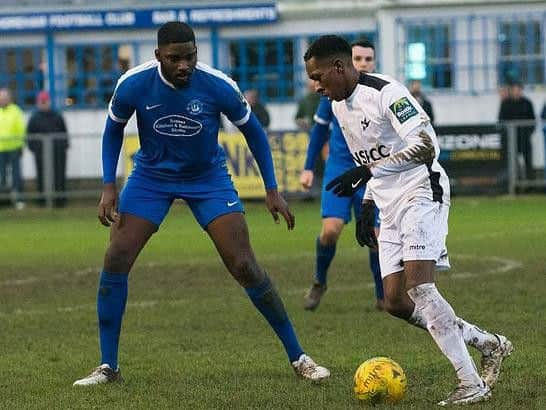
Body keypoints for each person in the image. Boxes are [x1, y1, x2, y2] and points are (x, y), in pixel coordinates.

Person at [73, 22, 329, 386]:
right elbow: (113, 128)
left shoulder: (217, 85)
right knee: (116, 257)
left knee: (244, 264)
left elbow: (253, 131)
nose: (184, 65)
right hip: (151, 177)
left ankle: (299, 357)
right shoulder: (133, 83)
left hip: (207, 178)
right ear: (158, 56)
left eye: (190, 57)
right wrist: (108, 185)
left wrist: (271, 189)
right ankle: (107, 367)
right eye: (174, 58)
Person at [304, 35, 513, 406]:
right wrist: (368, 202)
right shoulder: (339, 107)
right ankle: (487, 343)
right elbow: (372, 158)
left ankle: (471, 383)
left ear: (339, 67)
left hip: (422, 190)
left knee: (420, 287)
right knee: (396, 302)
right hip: (388, 203)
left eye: (319, 77)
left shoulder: (387, 93)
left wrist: (366, 172)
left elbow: (424, 146)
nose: (316, 86)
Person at [300, 39, 384, 311]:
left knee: (375, 236)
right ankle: (319, 281)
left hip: (369, 169)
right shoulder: (332, 91)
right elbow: (319, 131)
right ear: (347, 62)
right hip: (339, 167)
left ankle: (383, 296)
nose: (363, 63)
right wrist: (309, 168)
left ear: (373, 62)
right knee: (331, 230)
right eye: (358, 59)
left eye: (368, 59)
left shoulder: (377, 94)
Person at [27, 90, 69, 207]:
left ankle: (60, 200)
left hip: (58, 151)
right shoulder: (34, 118)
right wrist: (35, 149)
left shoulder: (57, 116)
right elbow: (29, 135)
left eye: (45, 102)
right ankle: (42, 200)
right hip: (40, 152)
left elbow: (64, 133)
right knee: (42, 176)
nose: (44, 104)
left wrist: (63, 147)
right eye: (42, 102)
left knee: (59, 175)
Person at [498, 80, 536, 180]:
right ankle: (515, 184)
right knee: (513, 163)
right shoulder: (506, 103)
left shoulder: (527, 103)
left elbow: (532, 120)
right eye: (514, 89)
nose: (516, 92)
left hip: (525, 138)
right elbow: (501, 121)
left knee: (528, 162)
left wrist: (528, 133)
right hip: (511, 140)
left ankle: (530, 184)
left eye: (518, 89)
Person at [0, 88, 26, 210]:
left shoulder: (16, 111)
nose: (2, 100)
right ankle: (3, 200)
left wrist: (21, 145)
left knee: (16, 176)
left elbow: (21, 129)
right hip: (0, 149)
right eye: (1, 98)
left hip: (14, 148)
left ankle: (19, 200)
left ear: (9, 98)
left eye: (4, 97)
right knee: (1, 177)